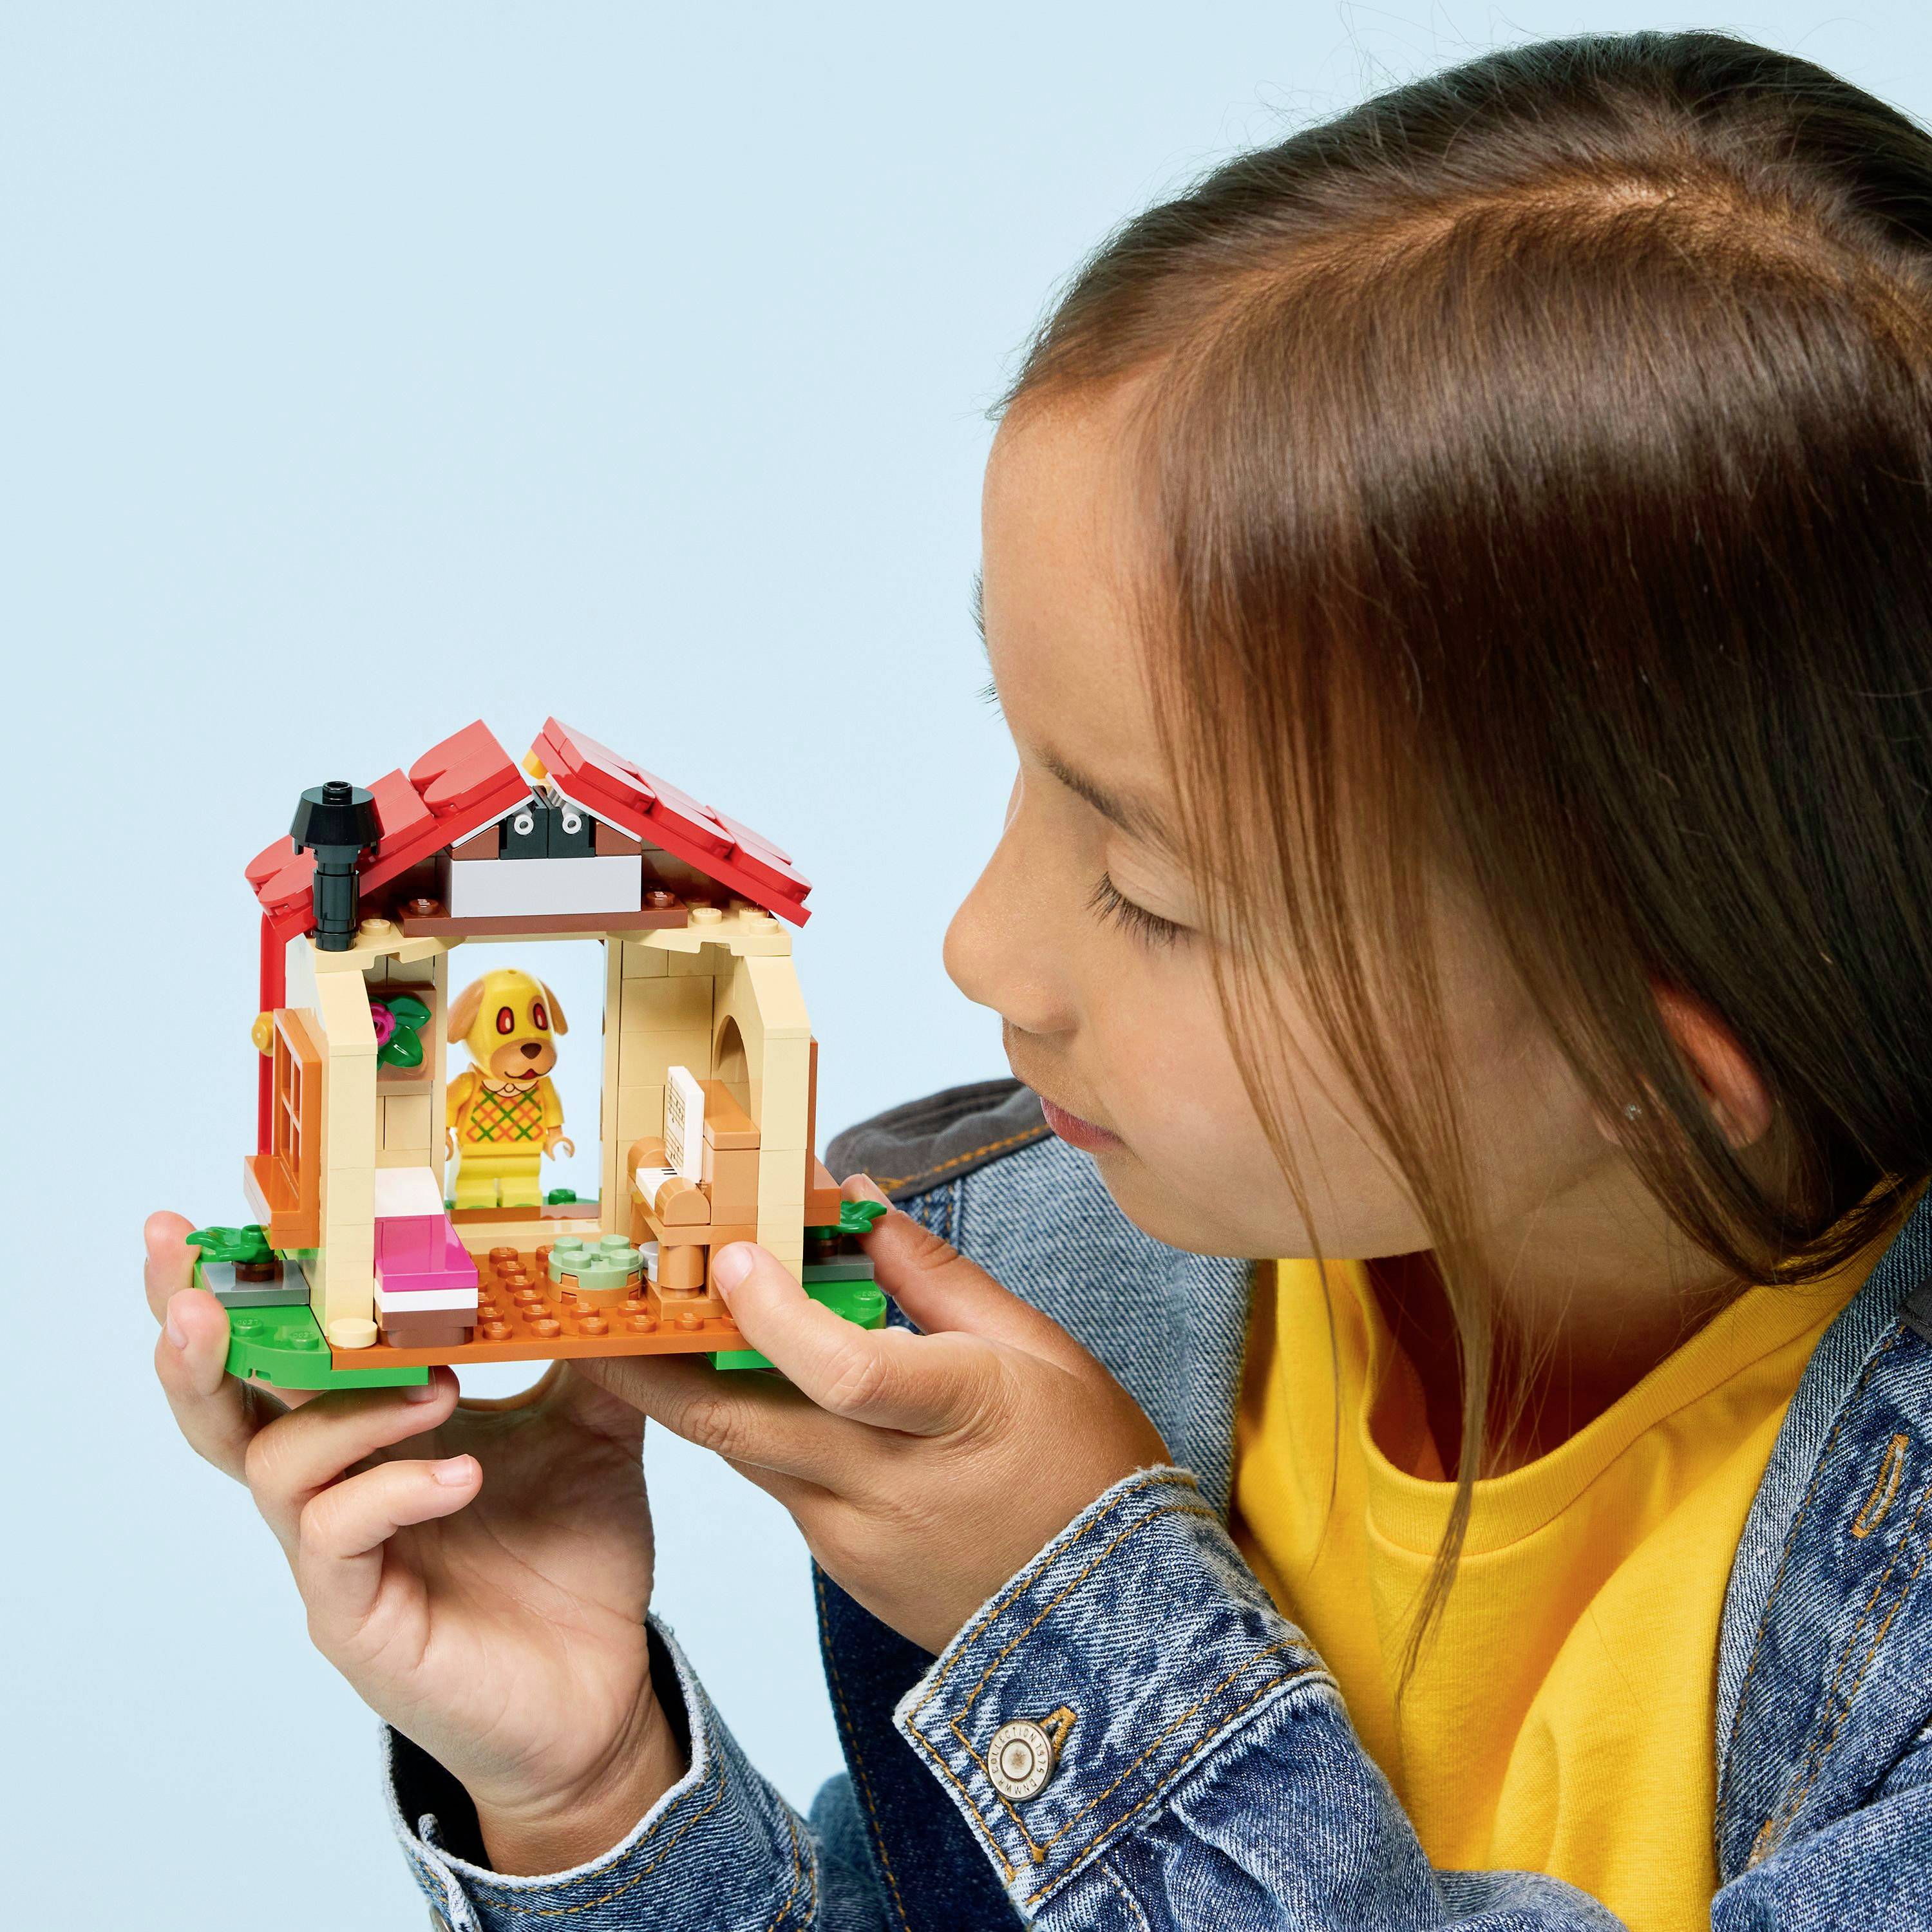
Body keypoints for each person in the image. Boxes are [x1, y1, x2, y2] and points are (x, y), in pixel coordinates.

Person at [145, 29, 1932, 1929]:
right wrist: (585, 1789)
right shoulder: (1044, 1277)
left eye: (1152, 893)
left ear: (1645, 1072)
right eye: (1022, 745)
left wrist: (1085, 1628)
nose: (979, 945)